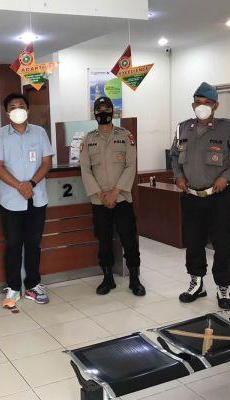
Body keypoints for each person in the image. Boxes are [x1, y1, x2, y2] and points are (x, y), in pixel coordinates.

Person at [171, 82, 230, 309]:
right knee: (193, 242)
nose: (202, 106)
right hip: (191, 196)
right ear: (192, 105)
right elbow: (174, 157)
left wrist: (227, 177)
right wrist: (178, 176)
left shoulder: (229, 128)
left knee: (222, 244)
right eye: (198, 102)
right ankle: (196, 283)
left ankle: (223, 287)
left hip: (218, 197)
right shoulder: (182, 128)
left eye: (207, 103)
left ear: (216, 105)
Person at [0, 93, 54, 309]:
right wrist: (20, 186)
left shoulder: (39, 132)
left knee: (34, 244)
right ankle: (14, 287)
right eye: (13, 106)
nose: (17, 109)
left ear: (28, 109)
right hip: (11, 201)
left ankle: (33, 285)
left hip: (37, 198)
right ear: (6, 112)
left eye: (21, 105)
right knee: (13, 245)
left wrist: (31, 184)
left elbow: (46, 162)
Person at [80, 96, 146, 297]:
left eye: (106, 109)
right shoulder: (88, 139)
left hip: (122, 199)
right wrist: (101, 195)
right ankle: (107, 278)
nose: (103, 113)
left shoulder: (125, 136)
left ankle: (134, 278)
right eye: (99, 110)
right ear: (94, 114)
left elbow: (131, 166)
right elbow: (85, 170)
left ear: (113, 112)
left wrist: (115, 192)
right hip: (99, 200)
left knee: (129, 240)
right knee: (104, 241)